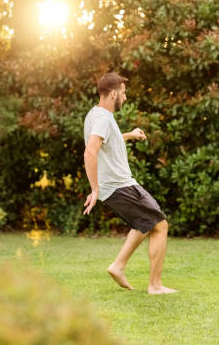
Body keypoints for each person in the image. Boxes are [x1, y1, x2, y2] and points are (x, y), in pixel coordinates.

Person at [82, 72, 177, 294]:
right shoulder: (103, 118)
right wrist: (94, 189)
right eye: (123, 93)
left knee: (146, 223)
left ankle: (118, 266)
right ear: (113, 93)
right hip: (119, 185)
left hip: (118, 185)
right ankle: (155, 285)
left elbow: (107, 140)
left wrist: (129, 135)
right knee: (160, 225)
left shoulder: (96, 115)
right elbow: (90, 152)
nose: (125, 98)